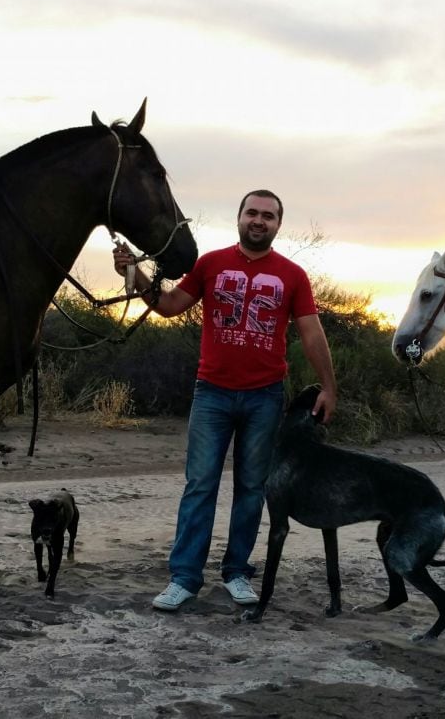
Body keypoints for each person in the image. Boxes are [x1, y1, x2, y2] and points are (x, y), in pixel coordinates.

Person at [113, 189, 338, 611]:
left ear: (277, 225)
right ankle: (184, 578)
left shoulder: (292, 275)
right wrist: (136, 274)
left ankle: (237, 572)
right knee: (200, 485)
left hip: (265, 396)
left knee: (252, 488)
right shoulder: (210, 264)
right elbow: (168, 305)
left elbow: (311, 332)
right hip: (212, 393)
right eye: (252, 212)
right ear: (239, 218)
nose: (259, 220)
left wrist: (328, 387)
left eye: (268, 216)